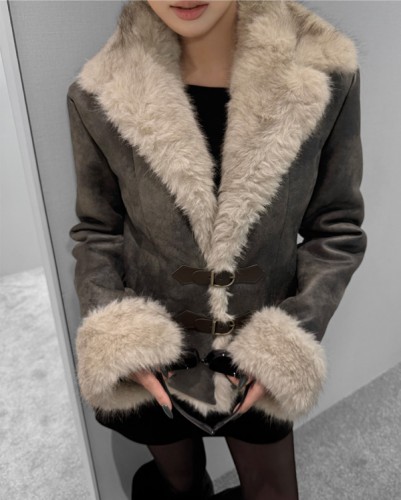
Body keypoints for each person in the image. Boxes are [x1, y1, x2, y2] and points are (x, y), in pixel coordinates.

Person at [66, 1, 367, 499]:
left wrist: (288, 339)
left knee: (273, 490)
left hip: (257, 360)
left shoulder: (325, 78)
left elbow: (336, 230)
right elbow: (97, 232)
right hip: (156, 360)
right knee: (180, 485)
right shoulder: (99, 95)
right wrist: (122, 338)